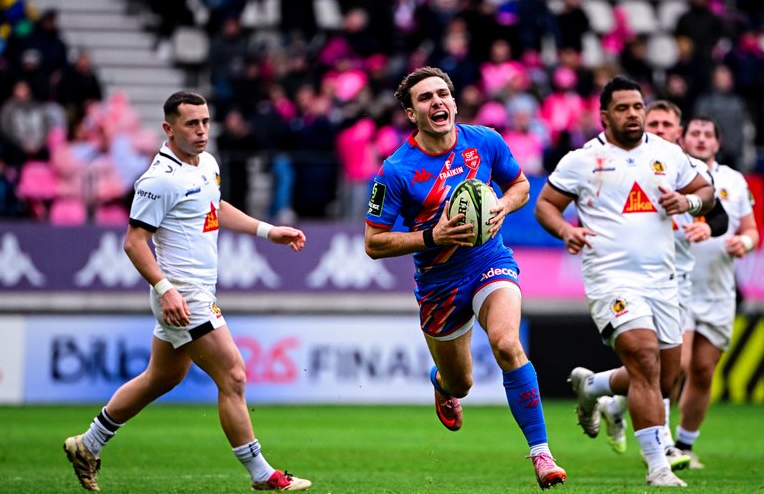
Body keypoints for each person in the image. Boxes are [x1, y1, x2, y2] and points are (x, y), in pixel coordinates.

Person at [63, 91, 312, 492]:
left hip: (194, 291)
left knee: (161, 377)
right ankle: (262, 474)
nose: (201, 131)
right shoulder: (158, 180)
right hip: (182, 293)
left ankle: (88, 444)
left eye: (205, 122)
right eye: (191, 124)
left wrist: (268, 231)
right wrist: (165, 290)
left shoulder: (207, 163)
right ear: (169, 129)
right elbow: (134, 242)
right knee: (233, 374)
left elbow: (215, 206)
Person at [364, 66, 566, 489]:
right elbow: (374, 243)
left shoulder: (486, 141)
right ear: (411, 114)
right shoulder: (396, 170)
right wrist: (432, 236)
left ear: (454, 103)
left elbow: (520, 186)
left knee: (507, 343)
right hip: (439, 284)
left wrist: (501, 206)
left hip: (489, 260)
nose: (437, 101)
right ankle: (443, 385)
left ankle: (541, 453)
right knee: (462, 383)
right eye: (425, 98)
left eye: (443, 94)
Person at [534, 76, 716, 487]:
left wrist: (687, 201)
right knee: (644, 356)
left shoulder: (668, 153)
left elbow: (706, 191)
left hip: (663, 281)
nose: (633, 114)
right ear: (604, 116)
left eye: (637, 107)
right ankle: (658, 467)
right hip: (611, 278)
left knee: (664, 378)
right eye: (623, 108)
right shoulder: (582, 160)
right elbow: (545, 205)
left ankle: (594, 385)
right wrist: (565, 230)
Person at [591, 100, 729, 469]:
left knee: (666, 371)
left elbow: (720, 217)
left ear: (677, 132)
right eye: (654, 123)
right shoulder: (619, 166)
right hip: (633, 279)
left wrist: (705, 225)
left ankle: (602, 393)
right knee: (656, 362)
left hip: (677, 279)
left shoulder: (686, 169)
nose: (660, 129)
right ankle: (664, 446)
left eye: (667, 124)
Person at [673, 115, 759, 469]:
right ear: (683, 139)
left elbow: (751, 230)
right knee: (677, 364)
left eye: (708, 134)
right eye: (695, 132)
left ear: (717, 143)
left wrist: (744, 243)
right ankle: (655, 440)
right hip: (678, 285)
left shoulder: (734, 181)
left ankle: (684, 445)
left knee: (704, 371)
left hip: (718, 289)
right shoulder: (673, 173)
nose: (702, 138)